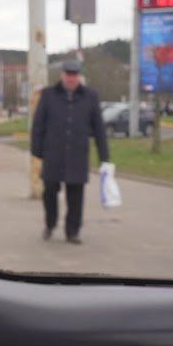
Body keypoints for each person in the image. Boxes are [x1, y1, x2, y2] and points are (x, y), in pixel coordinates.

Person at [30, 61, 109, 244]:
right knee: (49, 192)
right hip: (53, 154)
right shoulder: (49, 95)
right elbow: (38, 126)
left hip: (77, 155)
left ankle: (72, 231)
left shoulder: (90, 96)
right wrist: (37, 151)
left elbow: (99, 129)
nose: (71, 78)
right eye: (68, 74)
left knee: (76, 195)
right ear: (62, 75)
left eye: (75, 75)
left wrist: (104, 157)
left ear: (79, 76)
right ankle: (50, 224)